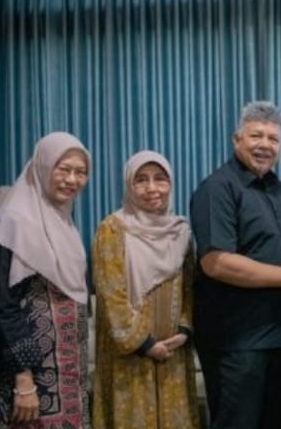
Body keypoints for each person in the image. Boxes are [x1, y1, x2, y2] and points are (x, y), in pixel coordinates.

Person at [190, 101, 281, 429]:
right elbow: (216, 262)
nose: (265, 145)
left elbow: (279, 255)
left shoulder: (279, 190)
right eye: (256, 135)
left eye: (273, 139)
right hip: (236, 342)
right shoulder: (217, 189)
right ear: (236, 138)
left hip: (277, 336)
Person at [0, 132, 91, 428]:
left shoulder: (61, 219)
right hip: (32, 376)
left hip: (69, 373)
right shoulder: (17, 222)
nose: (72, 180)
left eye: (81, 172)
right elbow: (5, 305)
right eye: (64, 169)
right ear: (42, 167)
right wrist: (24, 378)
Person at [92, 150, 199, 428]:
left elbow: (189, 288)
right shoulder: (113, 229)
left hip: (173, 354)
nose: (152, 188)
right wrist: (145, 344)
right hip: (130, 357)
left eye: (160, 179)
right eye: (141, 180)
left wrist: (185, 330)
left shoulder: (181, 232)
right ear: (129, 185)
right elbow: (110, 294)